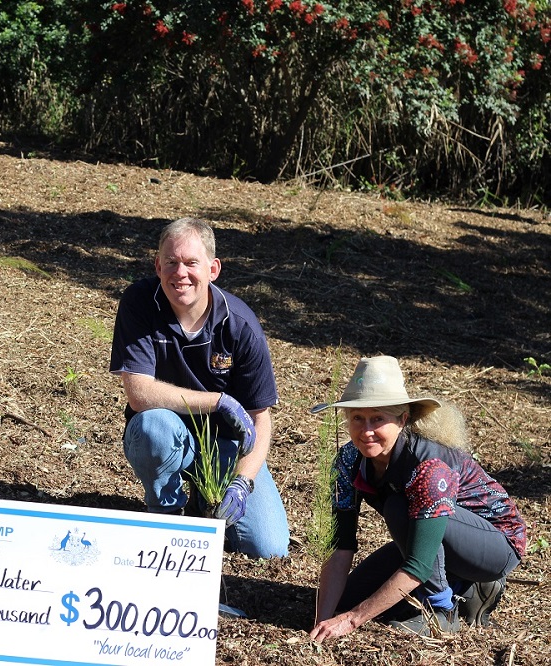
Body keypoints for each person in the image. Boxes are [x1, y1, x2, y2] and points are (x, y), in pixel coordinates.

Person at [110, 217, 290, 560]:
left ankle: (207, 502)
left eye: (192, 263)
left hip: (224, 447)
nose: (181, 273)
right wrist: (218, 401)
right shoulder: (140, 303)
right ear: (158, 265)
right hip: (167, 436)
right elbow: (139, 392)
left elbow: (260, 419)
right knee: (153, 426)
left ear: (213, 269)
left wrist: (243, 482)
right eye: (172, 262)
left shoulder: (240, 325)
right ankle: (166, 518)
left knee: (268, 547)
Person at [310, 356, 526, 641]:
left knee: (398, 508)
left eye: (378, 418)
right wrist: (323, 619)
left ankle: (444, 609)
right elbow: (341, 545)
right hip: (430, 533)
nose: (366, 431)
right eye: (357, 418)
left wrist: (351, 621)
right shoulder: (349, 459)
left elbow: (420, 564)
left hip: (495, 545)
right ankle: (466, 589)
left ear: (403, 419)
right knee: (346, 599)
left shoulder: (429, 465)